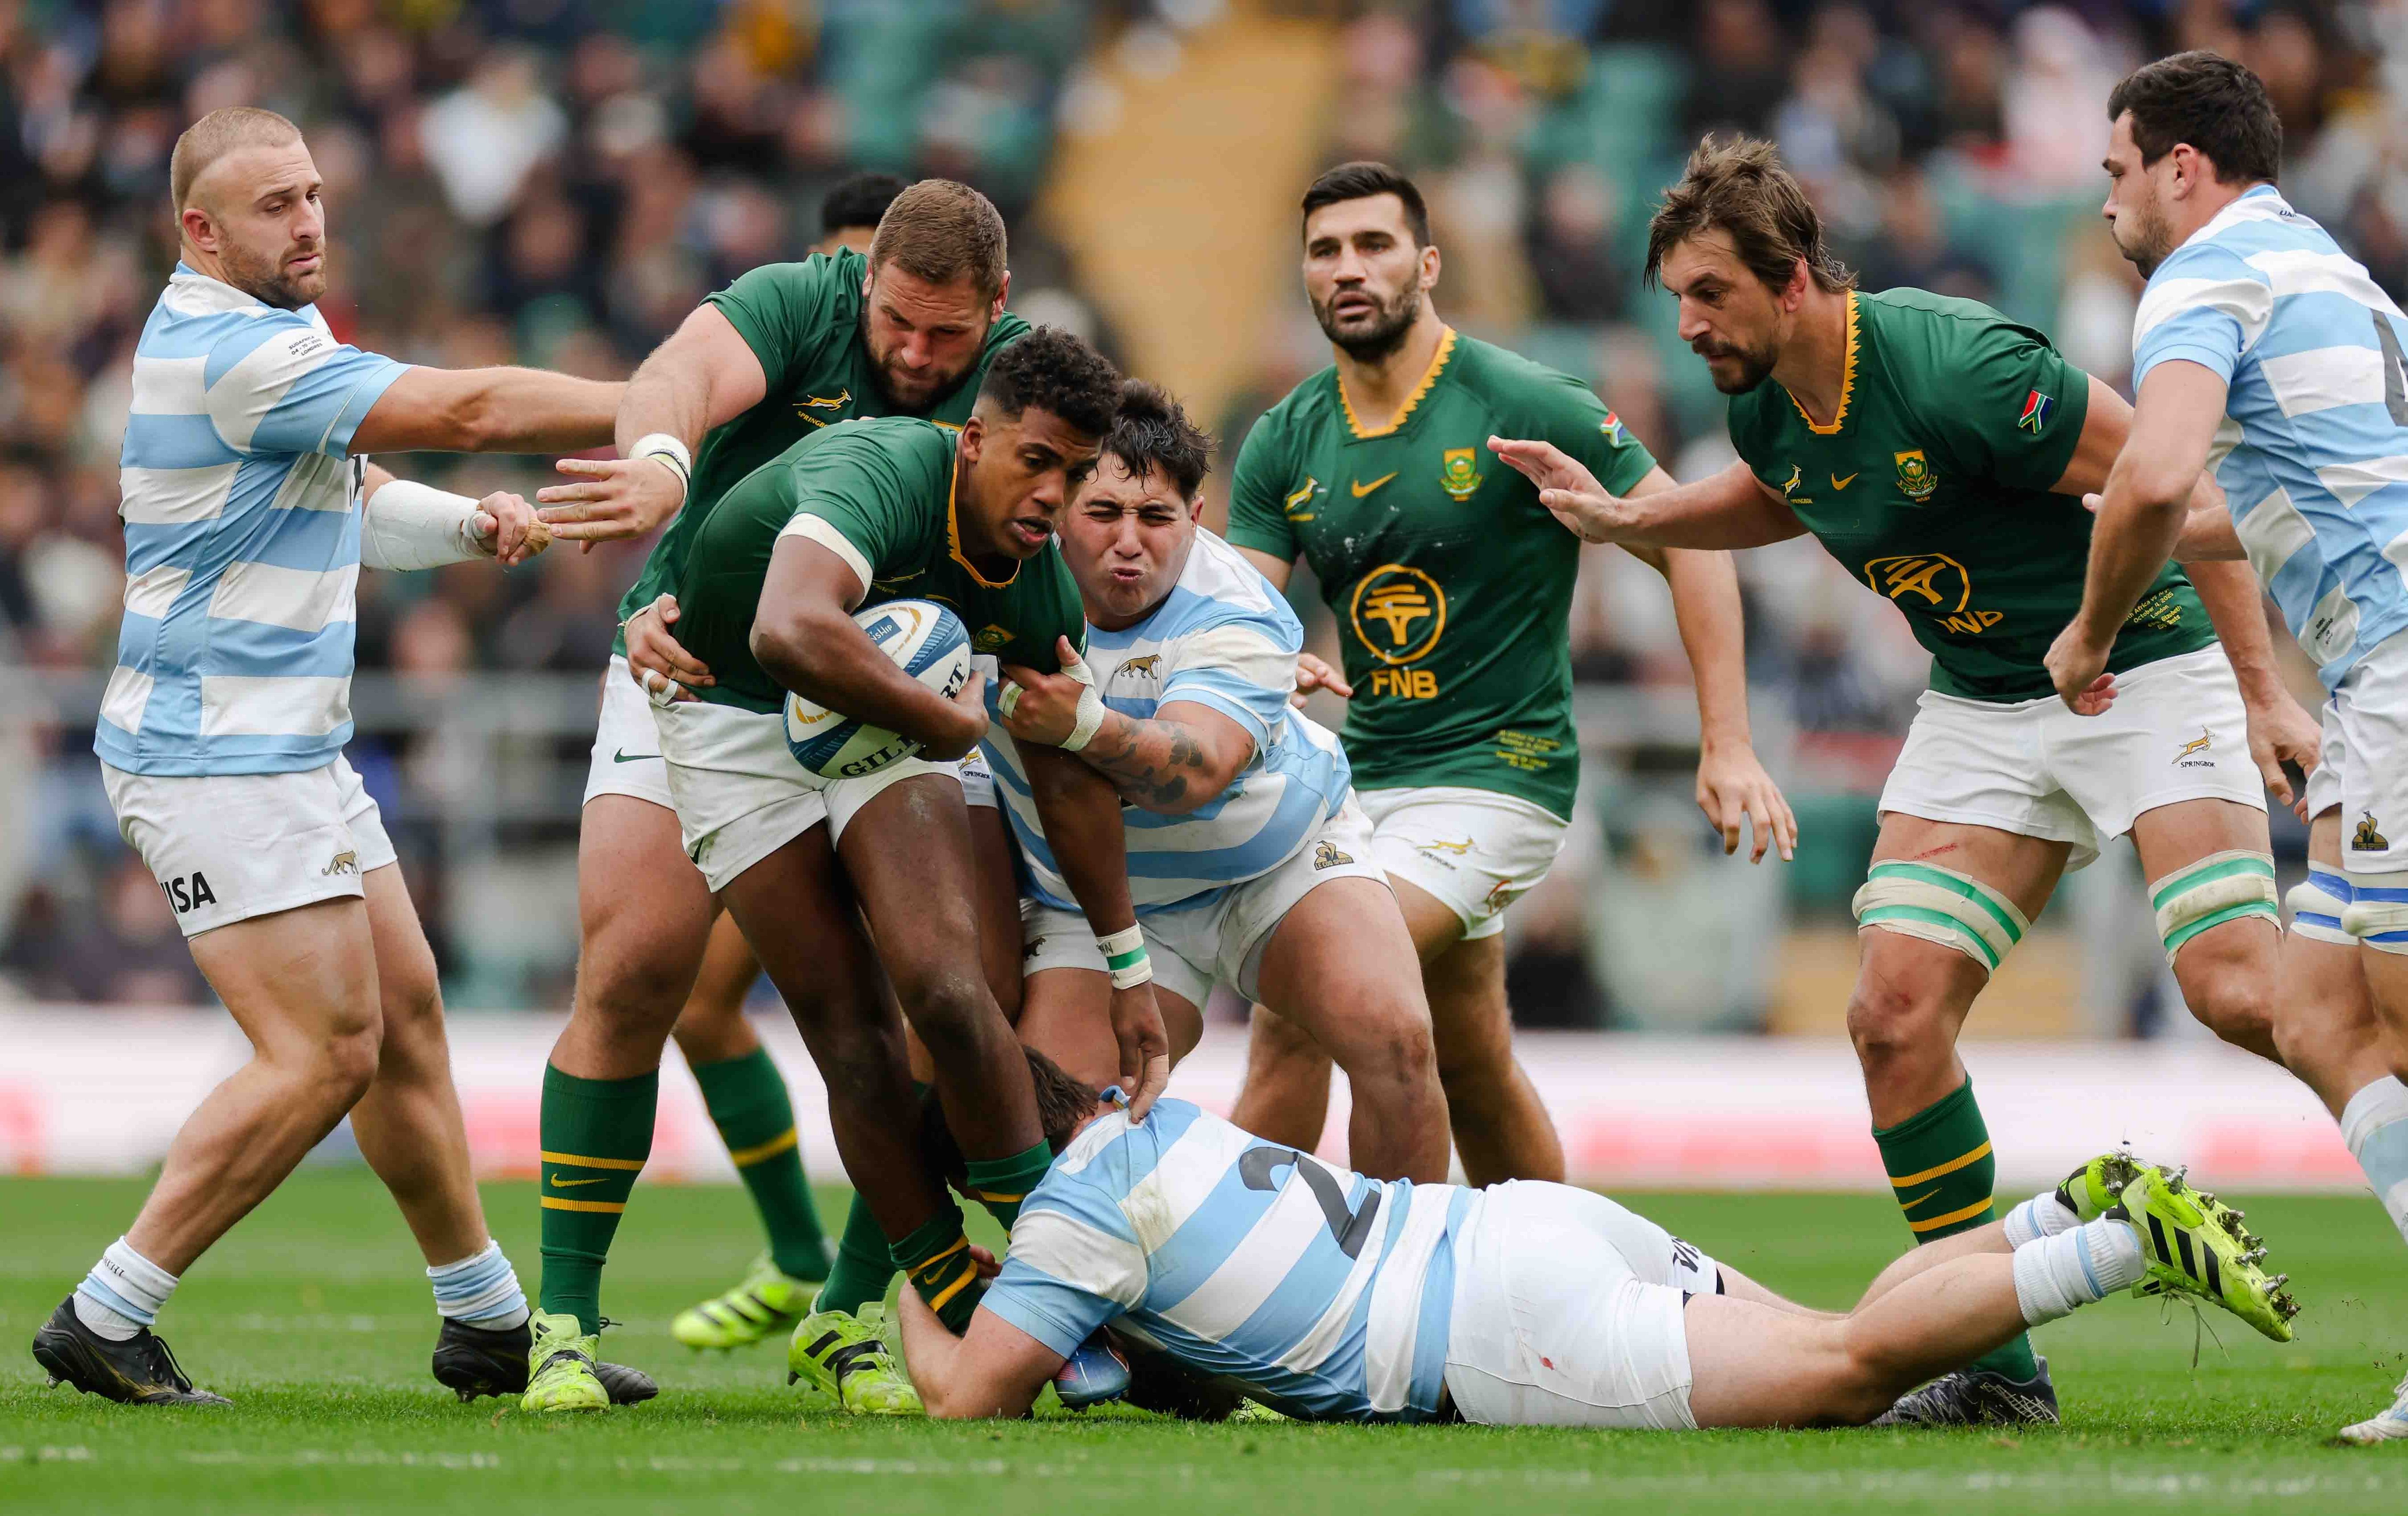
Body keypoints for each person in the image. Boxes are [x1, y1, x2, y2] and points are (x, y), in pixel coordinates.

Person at [1492, 133, 2391, 1426]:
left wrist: (2257, 690)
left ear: (1790, 277)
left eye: (1708, 293)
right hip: (1980, 699)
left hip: (2133, 668)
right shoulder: (1761, 398)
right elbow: (1781, 490)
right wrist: (1639, 519)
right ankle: (1995, 1372)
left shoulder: (1952, 363)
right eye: (1675, 296)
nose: (1683, 323)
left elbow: (2177, 491)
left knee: (2237, 988)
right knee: (1890, 1015)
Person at [29, 107, 648, 1408]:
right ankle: (109, 1307)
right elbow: (465, 401)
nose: (308, 222)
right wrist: (662, 399)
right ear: (199, 230)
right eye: (274, 206)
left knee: (407, 1018)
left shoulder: (279, 333)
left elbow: (353, 499)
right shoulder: (231, 346)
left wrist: (475, 530)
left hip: (287, 751)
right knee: (323, 1051)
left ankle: (483, 1321)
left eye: (313, 194)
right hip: (216, 757)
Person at [564, 327, 1168, 1421]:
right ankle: (946, 1286)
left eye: (1076, 473)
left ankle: (1047, 1277)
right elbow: (789, 626)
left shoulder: (1037, 589)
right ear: (972, 438)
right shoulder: (882, 469)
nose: (1053, 493)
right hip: (727, 709)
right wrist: (944, 714)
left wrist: (1127, 963)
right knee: (846, 1028)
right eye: (1036, 459)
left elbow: (1068, 773)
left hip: (878, 710)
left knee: (944, 989)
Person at [519, 179, 1032, 1394]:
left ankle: (847, 1311)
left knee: (928, 997)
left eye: (944, 336)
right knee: (637, 968)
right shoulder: (795, 304)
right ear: (862, 286)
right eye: (894, 323)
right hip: (693, 665)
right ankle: (565, 1325)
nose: (913, 354)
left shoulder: (1023, 372)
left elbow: (1112, 500)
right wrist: (654, 464)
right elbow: (678, 376)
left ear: (995, 309)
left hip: (890, 698)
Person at [1222, 163, 1793, 1188]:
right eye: (1324, 251)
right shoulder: (1284, 436)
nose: (1347, 269)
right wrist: (1254, 669)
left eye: (1373, 245)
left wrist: (1729, 741)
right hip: (1360, 785)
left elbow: (1694, 547)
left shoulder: (1519, 401)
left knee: (1315, 982)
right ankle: (1562, 1290)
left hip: (1500, 775)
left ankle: (1297, 1296)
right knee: (1471, 1061)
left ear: (1427, 263)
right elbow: (1241, 623)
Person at [893, 1050, 2296, 1426]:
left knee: (1847, 1369)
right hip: (1522, 1225)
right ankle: (2066, 1207)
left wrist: (910, 1256)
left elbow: (968, 1390)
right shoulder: (1156, 1119)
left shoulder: (1070, 1221)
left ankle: (2124, 1250)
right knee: (1831, 1340)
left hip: (1494, 1333)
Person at [2059, 51, 2408, 1445]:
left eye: (2113, 171)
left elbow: (2155, 472)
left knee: (2391, 1017)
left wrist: (2085, 635)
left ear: (2177, 169)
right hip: (2373, 676)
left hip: (2394, 666)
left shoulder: (2197, 281)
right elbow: (2240, 506)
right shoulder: (2320, 264)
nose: (2105, 203)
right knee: (2318, 1013)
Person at [988, 381, 1448, 1182]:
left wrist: (1084, 725)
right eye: (1103, 514)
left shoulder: (1242, 612)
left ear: (1195, 519)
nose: (1129, 541)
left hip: (1280, 868)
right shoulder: (987, 585)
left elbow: (1194, 773)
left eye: (1156, 518)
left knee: (1397, 1042)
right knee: (1047, 1126)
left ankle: (1405, 1291)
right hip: (1097, 899)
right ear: (1059, 506)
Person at [652, 169, 924, 1359]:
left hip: (892, 720)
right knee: (699, 1002)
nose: (884, 316)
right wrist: (646, 603)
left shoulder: (944, 394)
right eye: (858, 274)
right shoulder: (780, 352)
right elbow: (696, 525)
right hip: (755, 710)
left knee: (909, 1017)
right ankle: (804, 1253)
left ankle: (856, 1290)